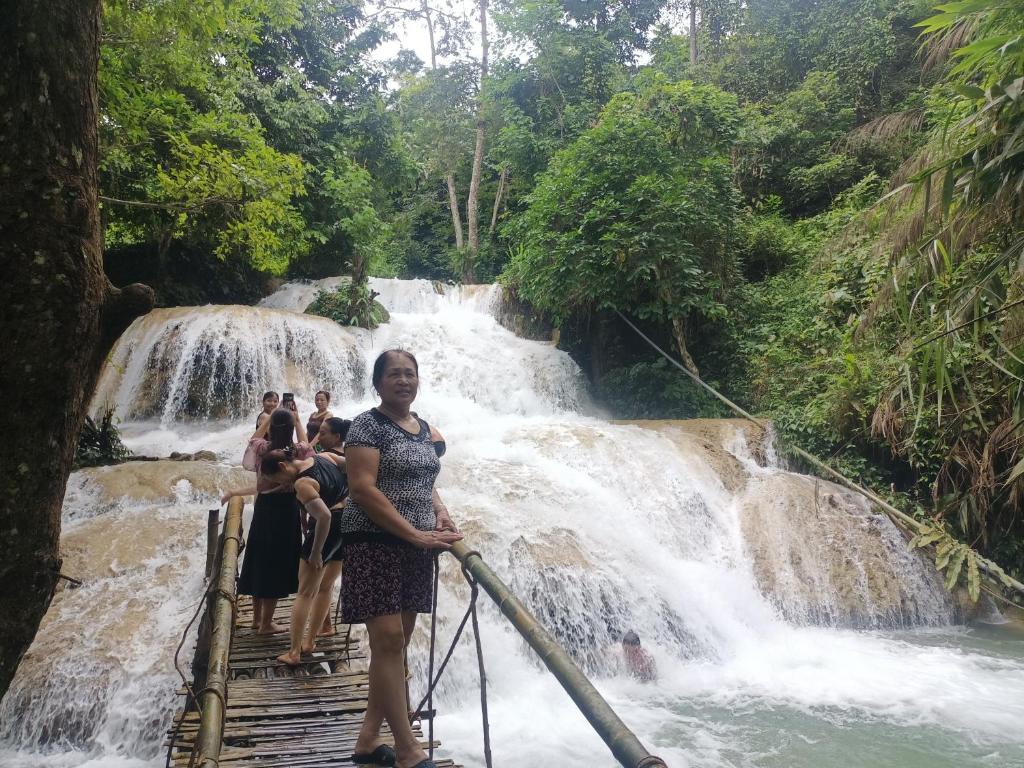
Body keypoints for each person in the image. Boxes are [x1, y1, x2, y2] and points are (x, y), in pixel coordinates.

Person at [340, 349, 461, 768]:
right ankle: (408, 748)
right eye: (394, 374)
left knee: (396, 645)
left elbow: (424, 481)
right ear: (378, 383)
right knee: (389, 641)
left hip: (416, 545)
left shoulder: (422, 428)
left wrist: (440, 513)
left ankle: (368, 740)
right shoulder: (366, 426)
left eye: (410, 374)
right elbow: (362, 488)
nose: (404, 380)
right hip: (374, 542)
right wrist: (415, 534)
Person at [221, 407, 311, 634]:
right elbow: (308, 447)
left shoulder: (264, 449)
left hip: (264, 508)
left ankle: (256, 619)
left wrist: (269, 418)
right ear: (290, 428)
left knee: (260, 557)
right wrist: (298, 421)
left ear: (271, 427)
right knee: (276, 563)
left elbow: (253, 440)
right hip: (285, 509)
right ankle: (267, 624)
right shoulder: (292, 453)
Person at [259, 449, 348, 666]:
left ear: (283, 467)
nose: (281, 484)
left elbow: (324, 516)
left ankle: (294, 652)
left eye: (276, 479)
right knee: (325, 587)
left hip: (328, 528)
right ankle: (310, 642)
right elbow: (351, 465)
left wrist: (316, 551)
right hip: (349, 520)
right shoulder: (324, 456)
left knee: (305, 592)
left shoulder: (302, 484)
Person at [314, 417, 351, 637]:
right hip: (344, 521)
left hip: (330, 521)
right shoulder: (350, 458)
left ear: (337, 437)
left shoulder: (327, 459)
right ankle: (325, 626)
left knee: (319, 578)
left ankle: (323, 627)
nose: (319, 437)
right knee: (326, 580)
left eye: (324, 433)